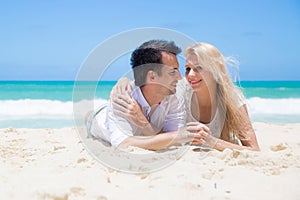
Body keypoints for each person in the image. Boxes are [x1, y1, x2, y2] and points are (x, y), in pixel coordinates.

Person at [111, 42, 260, 151]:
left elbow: (254, 151)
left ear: (216, 71)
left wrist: (211, 141)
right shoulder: (180, 90)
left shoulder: (232, 99)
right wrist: (122, 82)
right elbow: (148, 82)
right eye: (188, 69)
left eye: (199, 68)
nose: (190, 76)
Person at [86, 40, 201, 150]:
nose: (179, 77)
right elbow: (123, 144)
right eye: (173, 71)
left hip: (135, 126)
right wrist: (175, 137)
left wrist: (143, 122)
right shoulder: (122, 98)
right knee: (90, 117)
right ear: (152, 77)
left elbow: (173, 138)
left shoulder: (173, 96)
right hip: (98, 120)